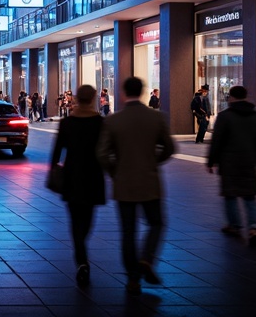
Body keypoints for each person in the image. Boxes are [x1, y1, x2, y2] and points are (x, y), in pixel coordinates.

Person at [97, 75, 176, 294]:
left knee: (128, 231)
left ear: (123, 93)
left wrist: (116, 172)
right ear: (142, 92)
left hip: (124, 183)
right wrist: (153, 161)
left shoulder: (113, 120)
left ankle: (133, 277)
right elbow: (169, 148)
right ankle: (147, 259)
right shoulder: (157, 118)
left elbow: (102, 154)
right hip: (150, 180)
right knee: (156, 223)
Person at [49, 84, 105, 285]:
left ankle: (81, 258)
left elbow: (57, 151)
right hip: (94, 176)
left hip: (72, 176)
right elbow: (106, 151)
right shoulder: (100, 123)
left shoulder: (68, 123)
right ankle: (82, 251)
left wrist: (53, 171)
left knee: (75, 219)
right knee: (88, 219)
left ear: (76, 99)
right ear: (93, 99)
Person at [206, 85, 256, 246]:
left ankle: (234, 225)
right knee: (250, 196)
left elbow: (217, 140)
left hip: (229, 161)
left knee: (230, 195)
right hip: (250, 161)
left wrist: (211, 161)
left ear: (231, 97)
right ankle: (254, 227)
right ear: (246, 96)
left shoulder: (225, 116)